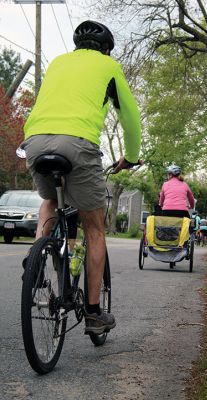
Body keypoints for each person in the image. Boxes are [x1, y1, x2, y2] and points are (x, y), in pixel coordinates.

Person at [21, 20, 141, 335]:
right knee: (95, 229)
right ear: (106, 49)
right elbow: (130, 118)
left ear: (77, 45)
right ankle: (93, 313)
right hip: (77, 144)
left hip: (34, 140)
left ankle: (35, 260)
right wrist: (129, 156)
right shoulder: (109, 66)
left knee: (49, 199)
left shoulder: (59, 63)